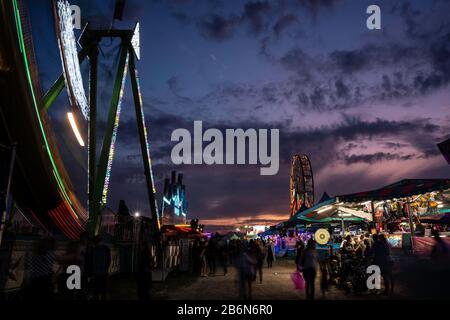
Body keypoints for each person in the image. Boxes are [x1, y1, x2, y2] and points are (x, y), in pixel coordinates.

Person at [91, 235, 111, 300]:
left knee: (98, 290)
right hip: (102, 272)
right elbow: (108, 260)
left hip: (98, 272)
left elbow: (93, 261)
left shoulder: (94, 249)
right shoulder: (105, 248)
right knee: (103, 290)